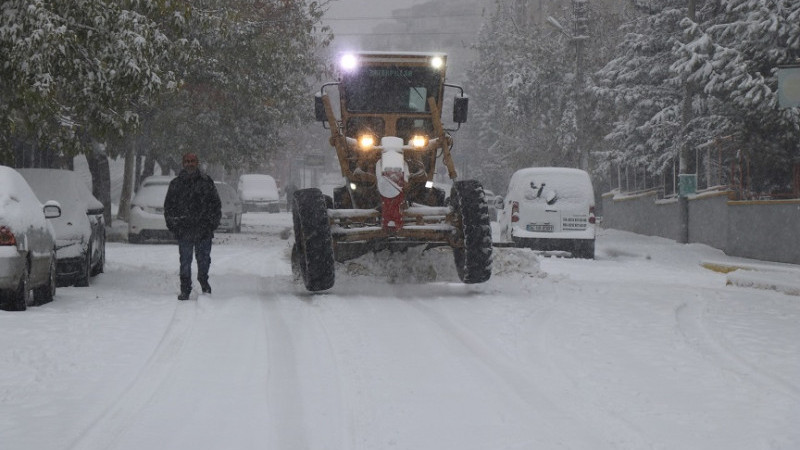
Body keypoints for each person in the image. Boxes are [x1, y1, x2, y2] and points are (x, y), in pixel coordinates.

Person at [164, 152, 222, 300]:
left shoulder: (206, 182)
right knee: (185, 261)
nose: (190, 164)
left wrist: (211, 224)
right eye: (187, 161)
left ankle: (203, 281)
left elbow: (216, 205)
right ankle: (185, 289)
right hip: (184, 230)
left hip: (203, 230)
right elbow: (169, 207)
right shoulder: (176, 184)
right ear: (183, 163)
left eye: (193, 161)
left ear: (197, 163)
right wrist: (174, 225)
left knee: (204, 260)